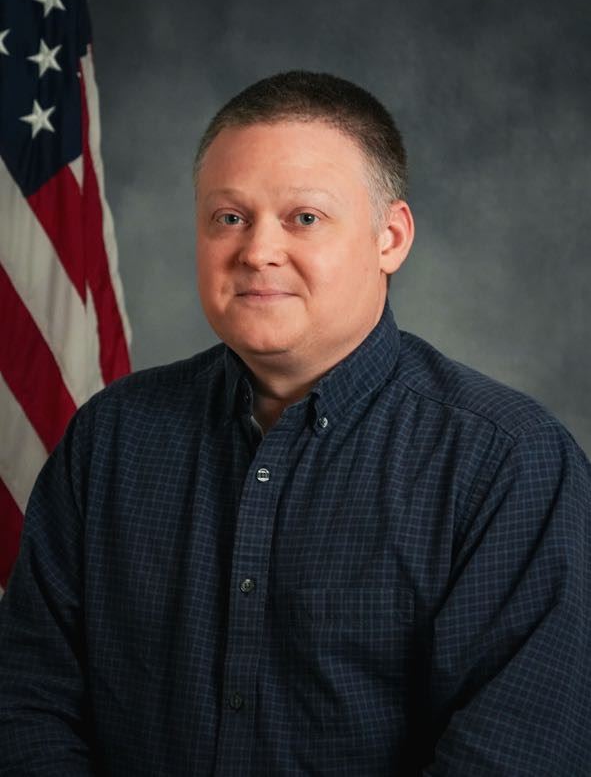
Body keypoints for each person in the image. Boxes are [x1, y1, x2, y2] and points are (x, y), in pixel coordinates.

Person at [0, 71, 589, 776]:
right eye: (229, 217)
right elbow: (27, 701)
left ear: (390, 238)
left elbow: (516, 754)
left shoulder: (509, 464)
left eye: (303, 218)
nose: (256, 251)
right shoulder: (110, 439)